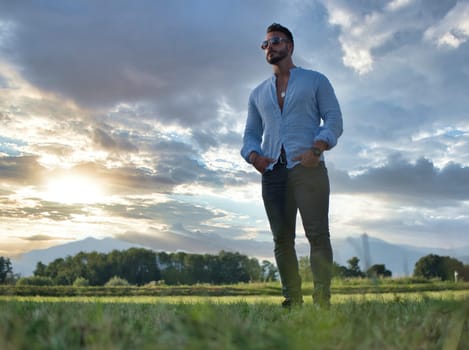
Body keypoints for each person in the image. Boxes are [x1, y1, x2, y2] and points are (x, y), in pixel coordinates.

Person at [241, 23, 343, 308]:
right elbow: (250, 134)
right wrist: (254, 156)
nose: (269, 47)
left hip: (308, 168)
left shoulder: (315, 80)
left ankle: (322, 300)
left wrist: (317, 148)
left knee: (318, 235)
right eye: (265, 44)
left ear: (290, 45)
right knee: (282, 240)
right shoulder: (257, 93)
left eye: (275, 41)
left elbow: (333, 119)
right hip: (273, 174)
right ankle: (292, 299)